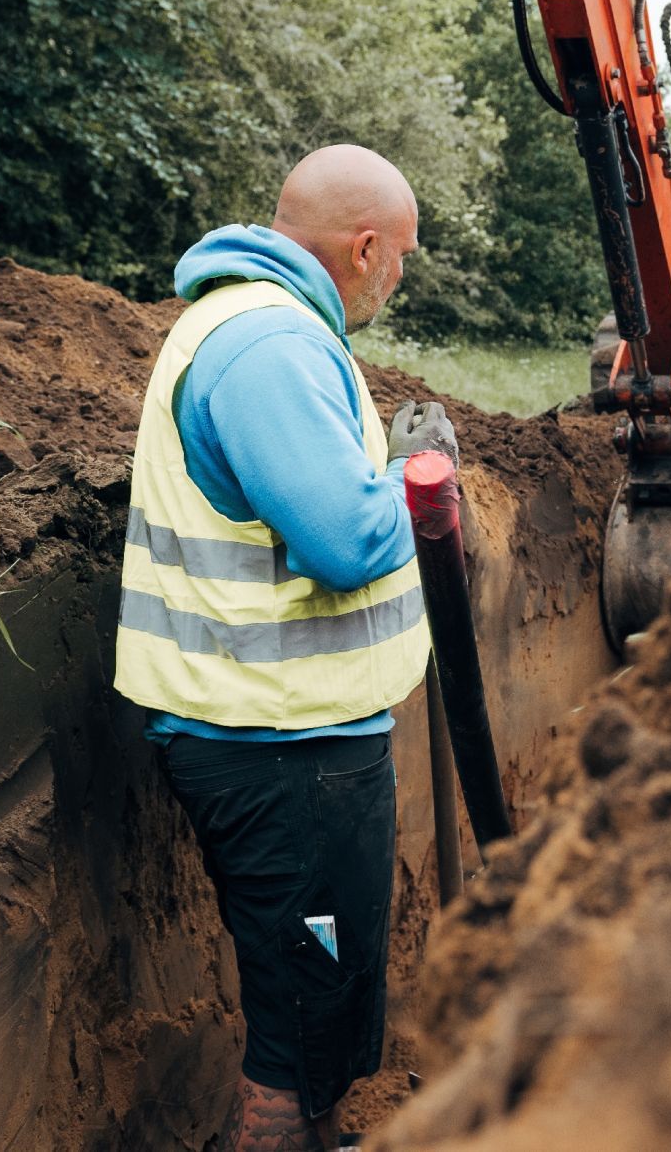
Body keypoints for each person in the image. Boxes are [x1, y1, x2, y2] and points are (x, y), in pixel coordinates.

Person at [113, 144, 455, 1152]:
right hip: (278, 745)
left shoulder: (259, 327)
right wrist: (417, 474)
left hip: (288, 732)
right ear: (363, 248)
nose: (399, 277)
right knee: (301, 1018)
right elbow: (344, 538)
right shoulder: (268, 347)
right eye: (402, 255)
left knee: (317, 998)